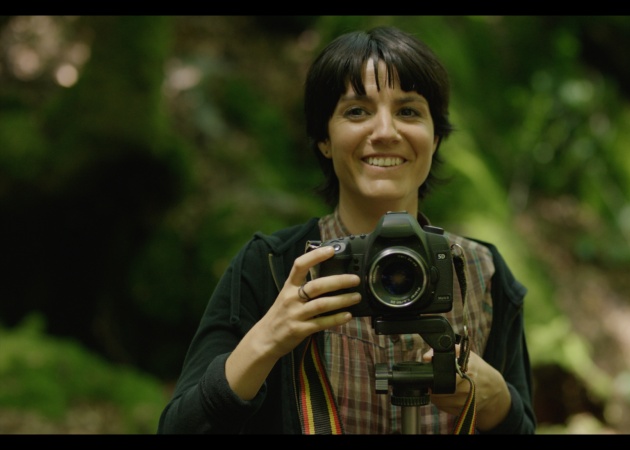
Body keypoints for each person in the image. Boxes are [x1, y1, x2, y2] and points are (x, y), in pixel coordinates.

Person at [157, 25, 536, 435]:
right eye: (357, 111)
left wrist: (498, 402)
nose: (385, 132)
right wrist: (267, 340)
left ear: (436, 137)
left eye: (409, 111)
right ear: (324, 138)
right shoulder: (273, 268)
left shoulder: (481, 273)